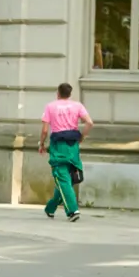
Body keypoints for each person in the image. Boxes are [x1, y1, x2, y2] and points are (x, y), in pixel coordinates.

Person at [39, 82, 93, 222]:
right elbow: (89, 122)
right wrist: (82, 137)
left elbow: (45, 130)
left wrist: (42, 144)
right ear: (70, 94)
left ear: (58, 93)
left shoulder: (50, 106)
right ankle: (50, 208)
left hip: (58, 145)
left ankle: (72, 211)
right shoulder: (77, 106)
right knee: (67, 179)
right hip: (73, 145)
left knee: (62, 177)